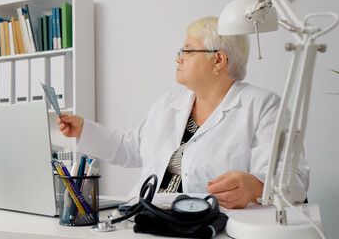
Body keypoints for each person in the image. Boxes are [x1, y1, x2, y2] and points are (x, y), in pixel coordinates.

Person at [57, 17, 309, 209]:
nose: (178, 58)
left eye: (187, 51)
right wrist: (84, 129)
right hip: (147, 218)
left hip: (210, 225)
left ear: (218, 60)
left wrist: (256, 186)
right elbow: (129, 148)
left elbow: (295, 180)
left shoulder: (263, 106)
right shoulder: (169, 103)